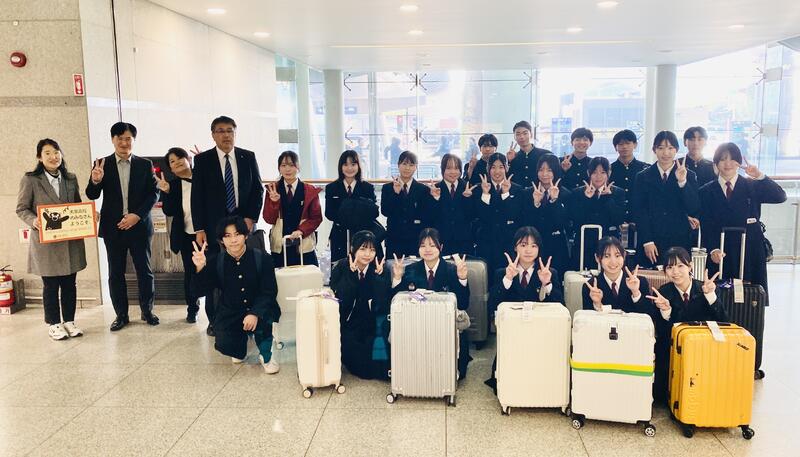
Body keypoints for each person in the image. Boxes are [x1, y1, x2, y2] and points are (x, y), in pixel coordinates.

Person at [191, 115, 264, 335]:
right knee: (215, 274)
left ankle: (247, 318)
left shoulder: (247, 156)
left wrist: (251, 218)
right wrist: (199, 228)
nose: (226, 135)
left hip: (242, 227)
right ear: (213, 135)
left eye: (230, 130)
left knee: (245, 273)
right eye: (221, 131)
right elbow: (197, 196)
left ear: (235, 133)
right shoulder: (203, 160)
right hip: (213, 229)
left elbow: (257, 190)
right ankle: (215, 321)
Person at [86, 122, 159, 331]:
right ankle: (121, 315)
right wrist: (95, 180)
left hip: (139, 226)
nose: (124, 143)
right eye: (120, 138)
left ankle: (147, 311)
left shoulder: (145, 164)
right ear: (112, 140)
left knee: (144, 271)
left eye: (128, 138)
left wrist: (137, 215)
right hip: (113, 228)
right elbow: (91, 194)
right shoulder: (102, 164)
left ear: (133, 140)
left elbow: (154, 193)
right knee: (115, 273)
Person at [16, 139, 87, 340]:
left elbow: (76, 206)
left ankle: (69, 321)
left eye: (56, 152)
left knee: (70, 284)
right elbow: (21, 208)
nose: (53, 156)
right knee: (51, 285)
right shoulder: (31, 179)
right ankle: (54, 324)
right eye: (47, 153)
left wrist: (88, 215)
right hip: (45, 243)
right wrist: (34, 221)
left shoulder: (70, 178)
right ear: (39, 157)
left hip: (70, 241)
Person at [190, 216, 281, 373]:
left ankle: (266, 354)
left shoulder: (262, 258)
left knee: (264, 321)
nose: (233, 240)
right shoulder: (217, 261)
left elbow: (269, 291)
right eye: (228, 236)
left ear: (245, 235)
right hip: (232, 309)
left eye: (237, 234)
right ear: (221, 240)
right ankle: (239, 347)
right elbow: (198, 291)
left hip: (258, 306)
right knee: (229, 346)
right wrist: (200, 267)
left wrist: (254, 313)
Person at [699, 142, 786, 293]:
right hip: (721, 250)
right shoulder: (706, 191)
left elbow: (780, 196)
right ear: (716, 163)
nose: (728, 164)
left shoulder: (752, 185)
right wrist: (712, 249)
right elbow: (706, 224)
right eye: (723, 159)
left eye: (732, 159)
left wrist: (760, 176)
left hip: (749, 248)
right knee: (721, 295)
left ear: (739, 163)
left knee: (751, 296)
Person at [646, 247, 729, 404]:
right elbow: (662, 334)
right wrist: (666, 311)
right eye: (670, 267)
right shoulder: (663, 292)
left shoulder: (706, 287)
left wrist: (711, 296)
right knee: (662, 397)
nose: (675, 272)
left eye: (680, 266)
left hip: (702, 349)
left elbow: (724, 321)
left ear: (690, 266)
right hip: (673, 352)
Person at [485, 226, 563, 394]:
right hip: (512, 333)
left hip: (540, 332)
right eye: (523, 245)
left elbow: (560, 306)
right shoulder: (502, 272)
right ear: (515, 247)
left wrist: (547, 283)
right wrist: (507, 279)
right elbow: (492, 305)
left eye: (534, 246)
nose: (528, 250)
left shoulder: (549, 272)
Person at [391, 228, 471, 379]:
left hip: (445, 326)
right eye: (423, 245)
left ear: (441, 247)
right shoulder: (410, 270)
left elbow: (463, 304)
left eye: (432, 245)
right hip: (416, 326)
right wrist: (397, 278)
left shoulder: (453, 270)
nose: (427, 250)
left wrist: (462, 279)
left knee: (454, 373)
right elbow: (398, 303)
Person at [632, 131, 700, 268]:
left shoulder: (689, 175)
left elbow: (693, 207)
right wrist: (647, 241)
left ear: (676, 150)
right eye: (661, 148)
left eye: (670, 148)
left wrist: (682, 182)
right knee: (650, 276)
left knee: (677, 275)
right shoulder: (642, 176)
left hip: (679, 239)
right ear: (654, 150)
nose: (666, 153)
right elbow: (639, 211)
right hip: (652, 239)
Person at [330, 230, 391, 380]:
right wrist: (351, 276)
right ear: (353, 249)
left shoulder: (378, 268)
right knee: (356, 352)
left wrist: (379, 279)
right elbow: (341, 301)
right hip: (348, 322)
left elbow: (381, 304)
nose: (367, 254)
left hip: (371, 321)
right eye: (363, 249)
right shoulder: (341, 267)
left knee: (377, 350)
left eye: (372, 250)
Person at [157, 147, 208, 324]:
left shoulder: (203, 177)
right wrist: (166, 192)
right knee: (190, 274)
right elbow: (169, 211)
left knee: (212, 270)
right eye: (172, 161)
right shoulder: (173, 185)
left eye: (180, 157)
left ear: (189, 160)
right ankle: (192, 309)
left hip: (208, 234)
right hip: (187, 235)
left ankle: (214, 312)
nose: (177, 162)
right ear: (170, 169)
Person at [263, 151, 322, 267]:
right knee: (280, 276)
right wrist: (274, 203)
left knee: (307, 276)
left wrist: (301, 231)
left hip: (304, 244)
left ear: (298, 167)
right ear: (279, 168)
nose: (287, 169)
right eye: (283, 165)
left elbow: (316, 218)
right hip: (280, 245)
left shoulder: (309, 190)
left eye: (291, 165)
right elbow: (268, 219)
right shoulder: (273, 189)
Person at [473, 153, 524, 284]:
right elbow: (480, 216)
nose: (497, 171)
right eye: (493, 167)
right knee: (486, 280)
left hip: (508, 242)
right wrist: (485, 194)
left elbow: (513, 214)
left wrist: (506, 193)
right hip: (486, 242)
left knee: (508, 278)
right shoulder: (479, 188)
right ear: (488, 169)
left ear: (506, 168)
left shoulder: (517, 189)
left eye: (501, 167)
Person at [569, 156, 626, 268]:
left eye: (603, 172)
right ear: (588, 173)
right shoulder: (577, 192)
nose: (598, 176)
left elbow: (618, 219)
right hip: (584, 242)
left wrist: (608, 198)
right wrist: (587, 199)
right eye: (594, 172)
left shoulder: (618, 192)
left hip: (608, 242)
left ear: (609, 173)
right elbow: (576, 219)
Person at [324, 150, 378, 263]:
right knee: (339, 266)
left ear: (358, 166)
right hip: (339, 234)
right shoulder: (331, 188)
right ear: (341, 167)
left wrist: (353, 217)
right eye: (345, 164)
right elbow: (329, 213)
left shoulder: (367, 187)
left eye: (353, 164)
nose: (349, 168)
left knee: (362, 266)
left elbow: (374, 212)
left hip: (361, 235)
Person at [525, 154, 571, 275]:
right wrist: (536, 203)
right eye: (541, 170)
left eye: (549, 170)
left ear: (555, 171)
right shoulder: (527, 193)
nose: (544, 174)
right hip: (533, 245)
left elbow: (563, 223)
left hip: (556, 246)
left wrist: (554, 201)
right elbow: (525, 222)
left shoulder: (565, 194)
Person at [381, 151, 432, 257]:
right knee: (393, 266)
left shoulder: (423, 189)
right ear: (398, 165)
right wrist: (396, 194)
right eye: (404, 164)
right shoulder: (387, 188)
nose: (407, 168)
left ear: (416, 167)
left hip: (415, 239)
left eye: (411, 165)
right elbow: (385, 211)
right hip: (394, 238)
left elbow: (425, 215)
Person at [581, 237, 653, 314]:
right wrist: (597, 304)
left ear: (624, 255)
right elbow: (586, 319)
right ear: (597, 258)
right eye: (607, 256)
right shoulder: (590, 286)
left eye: (617, 255)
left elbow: (649, 316)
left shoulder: (640, 282)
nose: (613, 262)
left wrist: (636, 293)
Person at [429, 154, 476, 256]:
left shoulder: (468, 187)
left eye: (456, 168)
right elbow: (431, 217)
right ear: (442, 169)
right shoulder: (435, 189)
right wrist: (436, 199)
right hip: (442, 242)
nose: (453, 172)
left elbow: (472, 216)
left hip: (464, 242)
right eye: (449, 168)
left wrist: (467, 199)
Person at [609, 129, 649, 222]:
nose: (624, 147)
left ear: (635, 145)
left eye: (628, 143)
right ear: (615, 147)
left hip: (638, 218)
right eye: (620, 144)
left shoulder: (645, 168)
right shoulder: (609, 169)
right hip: (615, 217)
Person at [506, 120, 552, 187]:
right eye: (518, 134)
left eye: (525, 133)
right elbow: (508, 179)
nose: (522, 137)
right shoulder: (513, 157)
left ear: (531, 134)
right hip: (518, 192)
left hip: (539, 192)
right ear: (514, 137)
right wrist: (510, 161)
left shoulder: (545, 154)